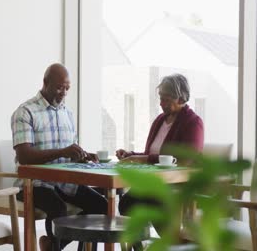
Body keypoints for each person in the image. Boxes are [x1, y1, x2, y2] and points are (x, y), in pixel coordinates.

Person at [11, 63, 108, 251]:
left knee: (101, 205)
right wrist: (62, 151)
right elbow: (24, 156)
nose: (63, 93)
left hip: (65, 182)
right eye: (59, 87)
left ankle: (52, 246)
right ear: (45, 83)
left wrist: (83, 155)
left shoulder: (67, 113)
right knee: (58, 208)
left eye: (67, 88)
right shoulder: (25, 112)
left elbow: (68, 153)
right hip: (34, 184)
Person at [116, 73, 204, 216]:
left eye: (166, 100)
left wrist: (143, 159)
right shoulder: (160, 120)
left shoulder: (193, 122)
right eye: (161, 98)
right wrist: (131, 155)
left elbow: (185, 160)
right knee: (126, 203)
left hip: (175, 185)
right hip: (154, 182)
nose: (161, 103)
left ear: (181, 98)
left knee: (138, 203)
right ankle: (145, 238)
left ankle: (173, 237)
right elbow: (151, 155)